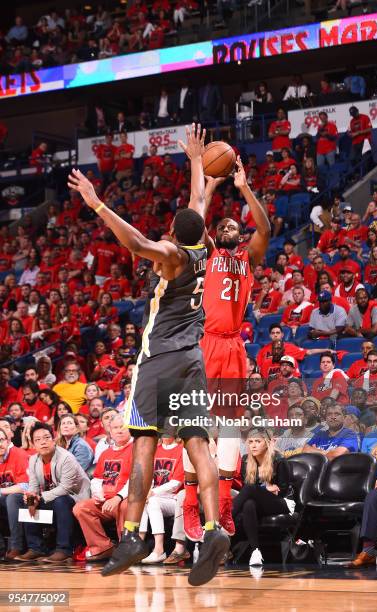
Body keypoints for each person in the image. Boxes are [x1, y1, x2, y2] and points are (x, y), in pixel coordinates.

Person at [68, 124, 229, 586]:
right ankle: (214, 530)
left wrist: (97, 203)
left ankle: (134, 535)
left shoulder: (172, 255)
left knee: (144, 444)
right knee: (198, 444)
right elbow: (199, 202)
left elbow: (136, 242)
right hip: (193, 361)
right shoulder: (201, 246)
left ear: (173, 237)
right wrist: (198, 160)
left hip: (158, 362)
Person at [187, 139, 270, 541]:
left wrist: (243, 188)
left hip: (234, 346)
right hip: (206, 342)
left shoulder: (247, 258)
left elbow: (265, 228)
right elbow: (195, 216)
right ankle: (191, 510)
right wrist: (212, 182)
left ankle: (220, 511)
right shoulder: (208, 253)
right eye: (222, 226)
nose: (226, 229)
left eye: (232, 226)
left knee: (230, 429)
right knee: (197, 422)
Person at [15, 422, 90, 562]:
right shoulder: (33, 460)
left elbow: (65, 488)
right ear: (33, 444)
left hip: (76, 498)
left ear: (53, 439)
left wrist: (39, 497)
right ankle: (35, 548)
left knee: (60, 500)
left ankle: (64, 549)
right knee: (27, 501)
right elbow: (33, 486)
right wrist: (32, 498)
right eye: (38, 440)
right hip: (52, 497)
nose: (43, 442)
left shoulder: (66, 458)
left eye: (46, 437)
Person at [73, 415, 133, 561]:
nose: (119, 431)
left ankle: (127, 548)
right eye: (115, 428)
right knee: (80, 508)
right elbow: (98, 478)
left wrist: (118, 498)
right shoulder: (106, 453)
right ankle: (102, 547)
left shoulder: (136, 449)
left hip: (124, 498)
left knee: (126, 506)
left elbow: (136, 479)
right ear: (110, 432)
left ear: (130, 429)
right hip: (105, 501)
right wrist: (98, 493)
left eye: (123, 427)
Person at [232, 428, 293, 566]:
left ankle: (224, 521)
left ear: (266, 443)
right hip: (259, 501)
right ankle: (256, 552)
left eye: (258, 442)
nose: (253, 445)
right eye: (251, 442)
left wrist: (262, 489)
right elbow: (247, 490)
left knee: (250, 489)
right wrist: (266, 489)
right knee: (249, 505)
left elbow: (282, 490)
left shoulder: (279, 459)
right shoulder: (246, 460)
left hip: (282, 502)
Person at [139, 434, 183, 563]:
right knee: (143, 501)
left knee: (151, 500)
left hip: (174, 499)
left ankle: (159, 549)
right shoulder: (154, 449)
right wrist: (147, 491)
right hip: (155, 497)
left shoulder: (182, 450)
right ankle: (138, 546)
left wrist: (152, 492)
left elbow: (176, 483)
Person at [0, 426, 29, 559]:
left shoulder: (18, 454)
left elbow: (25, 486)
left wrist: (2, 491)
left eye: (1, 440)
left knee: (12, 498)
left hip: (24, 499)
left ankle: (16, 546)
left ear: (7, 441)